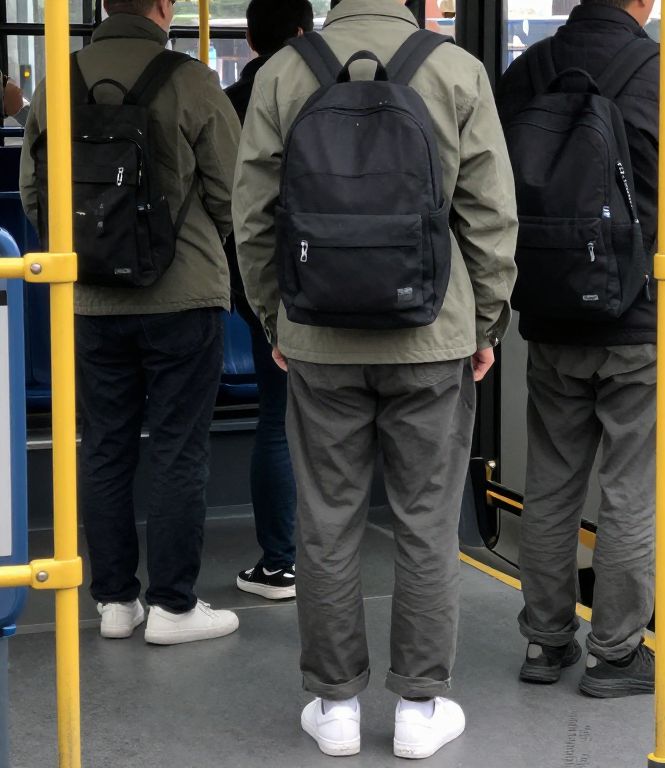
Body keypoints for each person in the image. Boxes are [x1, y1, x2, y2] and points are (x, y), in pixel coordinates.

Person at [233, 0, 517, 758]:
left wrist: (277, 318)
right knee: (427, 519)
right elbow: (491, 216)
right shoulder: (456, 70)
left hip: (319, 337)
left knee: (327, 520)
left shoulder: (283, 73)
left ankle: (335, 708)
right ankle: (420, 708)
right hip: (431, 336)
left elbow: (253, 215)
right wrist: (484, 325)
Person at [496, 0, 665, 696]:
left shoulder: (530, 70)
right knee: (634, 488)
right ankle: (615, 653)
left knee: (551, 482)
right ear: (645, 2)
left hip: (553, 312)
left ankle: (545, 642)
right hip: (645, 318)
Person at [20, 0, 242, 645]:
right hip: (183, 297)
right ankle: (174, 606)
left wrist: (92, 252)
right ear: (164, 7)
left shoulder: (57, 81)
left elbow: (35, 194)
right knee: (178, 448)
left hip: (90, 300)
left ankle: (115, 602)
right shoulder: (192, 80)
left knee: (104, 445)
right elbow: (235, 193)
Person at [225, 0, 314, 601]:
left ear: (252, 39)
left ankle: (280, 562)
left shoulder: (232, 100)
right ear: (303, 33)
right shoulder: (327, 92)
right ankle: (331, 556)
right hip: (338, 277)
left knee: (277, 418)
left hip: (261, 280)